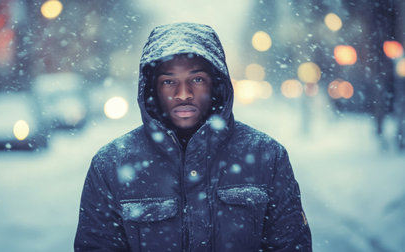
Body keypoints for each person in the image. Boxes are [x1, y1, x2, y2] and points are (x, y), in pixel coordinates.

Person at [74, 22, 312, 251]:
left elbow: (290, 245)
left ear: (216, 85)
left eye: (197, 79)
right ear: (152, 89)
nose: (183, 93)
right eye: (169, 81)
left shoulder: (267, 156)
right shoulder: (111, 164)